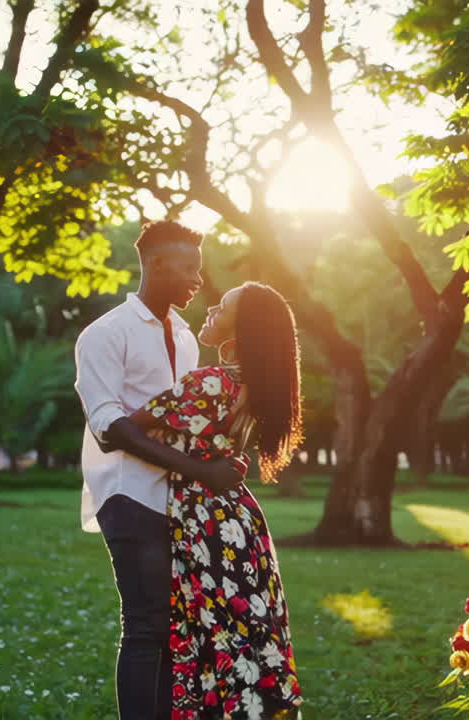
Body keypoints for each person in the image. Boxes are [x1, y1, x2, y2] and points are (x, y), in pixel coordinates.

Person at [75, 220, 246, 720]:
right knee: (146, 627)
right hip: (128, 495)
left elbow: (184, 419)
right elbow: (110, 426)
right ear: (156, 265)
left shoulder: (189, 338)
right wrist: (199, 468)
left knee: (175, 629)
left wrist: (218, 457)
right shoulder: (105, 334)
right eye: (190, 267)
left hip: (182, 501)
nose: (199, 278)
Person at [128, 281, 303, 719]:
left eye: (223, 306)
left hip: (205, 522)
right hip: (235, 520)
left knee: (212, 630)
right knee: (242, 633)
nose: (212, 308)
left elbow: (128, 428)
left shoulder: (209, 383)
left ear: (242, 328)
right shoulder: (257, 385)